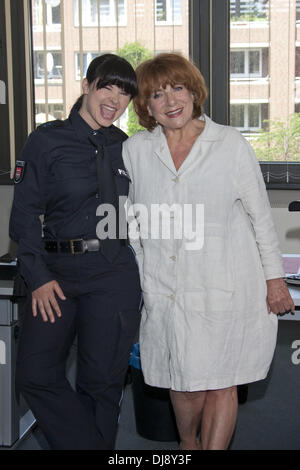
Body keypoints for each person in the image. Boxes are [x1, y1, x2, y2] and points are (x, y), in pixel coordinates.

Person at [122, 53, 295, 450]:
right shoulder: (136, 152)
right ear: (147, 107)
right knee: (181, 383)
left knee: (222, 380)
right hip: (167, 290)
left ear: (193, 91)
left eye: (177, 88)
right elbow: (133, 224)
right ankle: (188, 443)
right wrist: (142, 275)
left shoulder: (229, 144)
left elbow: (260, 218)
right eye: (158, 95)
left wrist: (275, 281)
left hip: (227, 285)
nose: (170, 102)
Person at [9, 54, 141, 450]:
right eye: (107, 87)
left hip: (113, 273)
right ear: (87, 86)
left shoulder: (128, 149)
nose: (115, 100)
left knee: (101, 381)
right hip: (56, 273)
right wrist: (38, 276)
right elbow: (25, 215)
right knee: (34, 374)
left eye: (125, 94)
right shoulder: (46, 140)